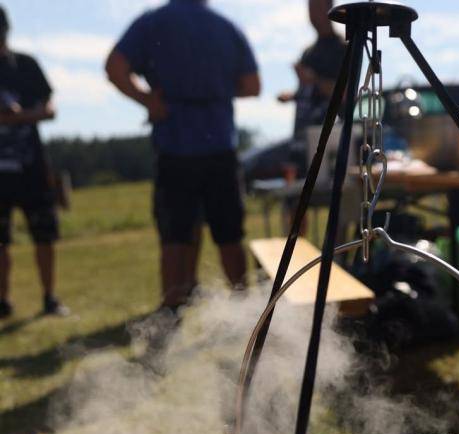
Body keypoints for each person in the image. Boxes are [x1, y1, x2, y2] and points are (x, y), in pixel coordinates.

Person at [105, 0, 260, 310]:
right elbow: (252, 85)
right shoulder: (226, 28)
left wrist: (148, 100)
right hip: (220, 144)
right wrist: (215, 88)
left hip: (175, 144)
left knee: (174, 235)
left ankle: (172, 309)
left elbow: (115, 67)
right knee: (230, 234)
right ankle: (247, 311)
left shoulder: (153, 22)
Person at [0, 6, 68, 318]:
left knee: (44, 235)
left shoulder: (25, 65)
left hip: (32, 168)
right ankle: (3, 301)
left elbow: (50, 108)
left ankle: (49, 297)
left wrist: (20, 116)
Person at [277, 0, 346, 172]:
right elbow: (307, 93)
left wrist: (313, 79)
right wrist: (291, 96)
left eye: (317, 8)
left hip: (331, 139)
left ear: (330, 8)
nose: (312, 15)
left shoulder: (342, 47)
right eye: (310, 9)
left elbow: (345, 93)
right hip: (303, 138)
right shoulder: (308, 52)